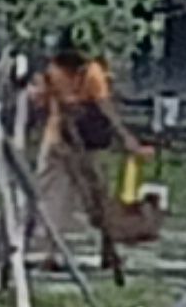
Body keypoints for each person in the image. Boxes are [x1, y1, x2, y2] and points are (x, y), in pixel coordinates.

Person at [25, 34, 158, 282]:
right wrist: (128, 140)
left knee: (88, 200)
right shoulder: (66, 72)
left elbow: (104, 110)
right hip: (65, 143)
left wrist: (127, 140)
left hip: (76, 144)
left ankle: (99, 251)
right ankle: (56, 252)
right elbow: (103, 110)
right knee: (62, 199)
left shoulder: (79, 72)